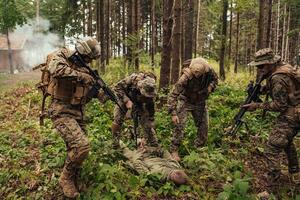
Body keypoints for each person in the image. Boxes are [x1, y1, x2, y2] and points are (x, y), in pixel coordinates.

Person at [47, 37, 102, 198]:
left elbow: (92, 94)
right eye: (89, 57)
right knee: (81, 146)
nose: (90, 61)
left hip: (78, 114)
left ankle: (74, 180)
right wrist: (82, 76)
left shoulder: (85, 68)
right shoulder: (62, 55)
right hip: (61, 111)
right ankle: (65, 179)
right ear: (84, 51)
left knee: (77, 149)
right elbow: (56, 70)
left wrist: (103, 93)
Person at [243, 48, 300, 196]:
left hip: (292, 115)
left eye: (261, 66)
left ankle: (271, 189)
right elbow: (284, 89)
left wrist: (257, 106)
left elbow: (280, 105)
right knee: (286, 142)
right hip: (296, 111)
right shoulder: (284, 68)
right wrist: (261, 90)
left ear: (269, 64)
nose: (259, 69)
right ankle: (295, 174)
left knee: (271, 147)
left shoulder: (277, 78)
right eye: (257, 66)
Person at [167, 57, 218, 161]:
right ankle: (174, 150)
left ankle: (199, 148)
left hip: (200, 101)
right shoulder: (185, 77)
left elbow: (215, 80)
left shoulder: (210, 72)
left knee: (204, 126)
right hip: (186, 101)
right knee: (180, 125)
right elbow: (173, 95)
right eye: (195, 73)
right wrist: (173, 113)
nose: (197, 75)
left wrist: (210, 87)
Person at [111, 72, 160, 149]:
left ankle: (154, 145)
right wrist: (126, 100)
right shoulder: (133, 79)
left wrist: (145, 137)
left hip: (139, 102)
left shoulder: (151, 91)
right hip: (125, 97)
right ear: (140, 87)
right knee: (118, 119)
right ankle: (115, 143)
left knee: (146, 123)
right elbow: (117, 88)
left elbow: (151, 113)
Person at [120, 139, 188, 185]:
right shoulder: (175, 166)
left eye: (176, 175)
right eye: (178, 172)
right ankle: (131, 133)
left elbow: (137, 164)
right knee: (139, 139)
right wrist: (149, 150)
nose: (177, 173)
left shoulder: (157, 177)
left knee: (121, 145)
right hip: (149, 154)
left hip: (138, 158)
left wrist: (139, 153)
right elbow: (164, 152)